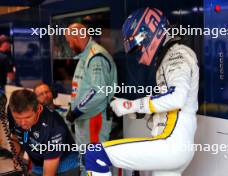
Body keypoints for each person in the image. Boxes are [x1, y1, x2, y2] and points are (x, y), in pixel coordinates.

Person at [83, 7, 199, 176]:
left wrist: (132, 105)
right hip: (174, 145)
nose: (140, 55)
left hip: (170, 144)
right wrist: (138, 112)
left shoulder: (178, 54)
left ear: (149, 32)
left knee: (95, 154)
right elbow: (171, 109)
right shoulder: (170, 55)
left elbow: (177, 98)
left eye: (138, 46)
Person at [64, 23, 117, 175]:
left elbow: (97, 92)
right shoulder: (85, 56)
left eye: (69, 41)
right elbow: (81, 89)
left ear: (77, 37)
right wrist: (73, 110)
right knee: (85, 162)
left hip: (95, 119)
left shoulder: (96, 57)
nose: (69, 44)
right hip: (85, 119)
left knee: (95, 165)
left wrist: (76, 111)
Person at [8, 89, 79, 176]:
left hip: (65, 164)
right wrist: (16, 159)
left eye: (27, 117)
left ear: (39, 109)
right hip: (38, 162)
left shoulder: (55, 126)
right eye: (18, 118)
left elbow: (49, 171)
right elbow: (15, 136)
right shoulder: (12, 110)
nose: (22, 123)